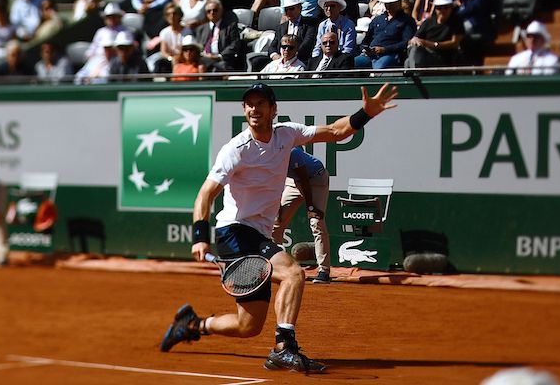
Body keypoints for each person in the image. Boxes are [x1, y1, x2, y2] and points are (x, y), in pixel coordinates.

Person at [160, 81, 400, 373]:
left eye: (261, 103)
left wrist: (366, 113)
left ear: (274, 110)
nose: (254, 109)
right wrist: (200, 236)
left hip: (257, 233)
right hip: (234, 231)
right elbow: (205, 194)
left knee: (248, 325)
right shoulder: (235, 149)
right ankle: (284, 348)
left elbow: (338, 132)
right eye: (249, 104)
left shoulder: (287, 134)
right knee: (293, 273)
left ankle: (193, 324)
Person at [271, 147, 332, 284]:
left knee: (317, 223)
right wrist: (277, 206)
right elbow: (275, 182)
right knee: (276, 223)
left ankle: (324, 271)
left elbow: (304, 181)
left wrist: (311, 207)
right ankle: (277, 267)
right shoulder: (269, 155)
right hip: (293, 182)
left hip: (316, 179)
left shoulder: (292, 153)